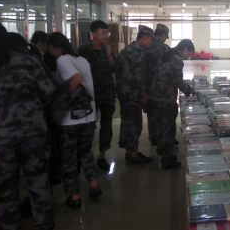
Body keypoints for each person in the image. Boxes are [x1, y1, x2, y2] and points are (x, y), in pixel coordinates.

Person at [0, 23, 56, 230]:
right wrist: (34, 109)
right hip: (35, 131)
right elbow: (49, 90)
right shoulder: (29, 61)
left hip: (1, 137)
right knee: (38, 178)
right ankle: (44, 224)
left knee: (5, 185)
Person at [47, 32, 102, 209]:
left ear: (53, 47)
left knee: (68, 157)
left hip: (70, 119)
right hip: (89, 116)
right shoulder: (82, 60)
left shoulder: (62, 60)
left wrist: (62, 97)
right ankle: (94, 185)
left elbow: (76, 79)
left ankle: (74, 196)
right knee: (85, 152)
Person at [148, 39, 195, 170]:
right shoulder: (177, 60)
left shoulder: (167, 55)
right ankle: (167, 159)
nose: (189, 56)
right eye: (189, 53)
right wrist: (190, 90)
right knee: (168, 128)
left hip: (155, 96)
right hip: (165, 97)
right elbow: (179, 82)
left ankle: (162, 150)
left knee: (160, 126)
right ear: (185, 49)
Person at [78, 21, 117, 172]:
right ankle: (85, 156)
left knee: (106, 125)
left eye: (107, 33)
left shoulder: (107, 49)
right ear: (93, 33)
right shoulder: (83, 50)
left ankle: (102, 156)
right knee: (88, 125)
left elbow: (114, 68)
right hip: (89, 93)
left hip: (106, 92)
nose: (106, 35)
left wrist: (109, 55)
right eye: (103, 32)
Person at [116, 25, 154, 164]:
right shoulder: (139, 52)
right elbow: (140, 76)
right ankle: (134, 155)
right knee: (135, 124)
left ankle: (128, 151)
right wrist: (144, 92)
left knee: (126, 122)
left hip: (123, 93)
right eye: (150, 40)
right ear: (144, 38)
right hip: (133, 93)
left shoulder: (125, 50)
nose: (151, 43)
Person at [145, 24, 170, 146]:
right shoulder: (165, 48)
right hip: (162, 87)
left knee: (151, 113)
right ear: (163, 35)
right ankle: (163, 138)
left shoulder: (146, 46)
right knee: (163, 114)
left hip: (147, 86)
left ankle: (153, 137)